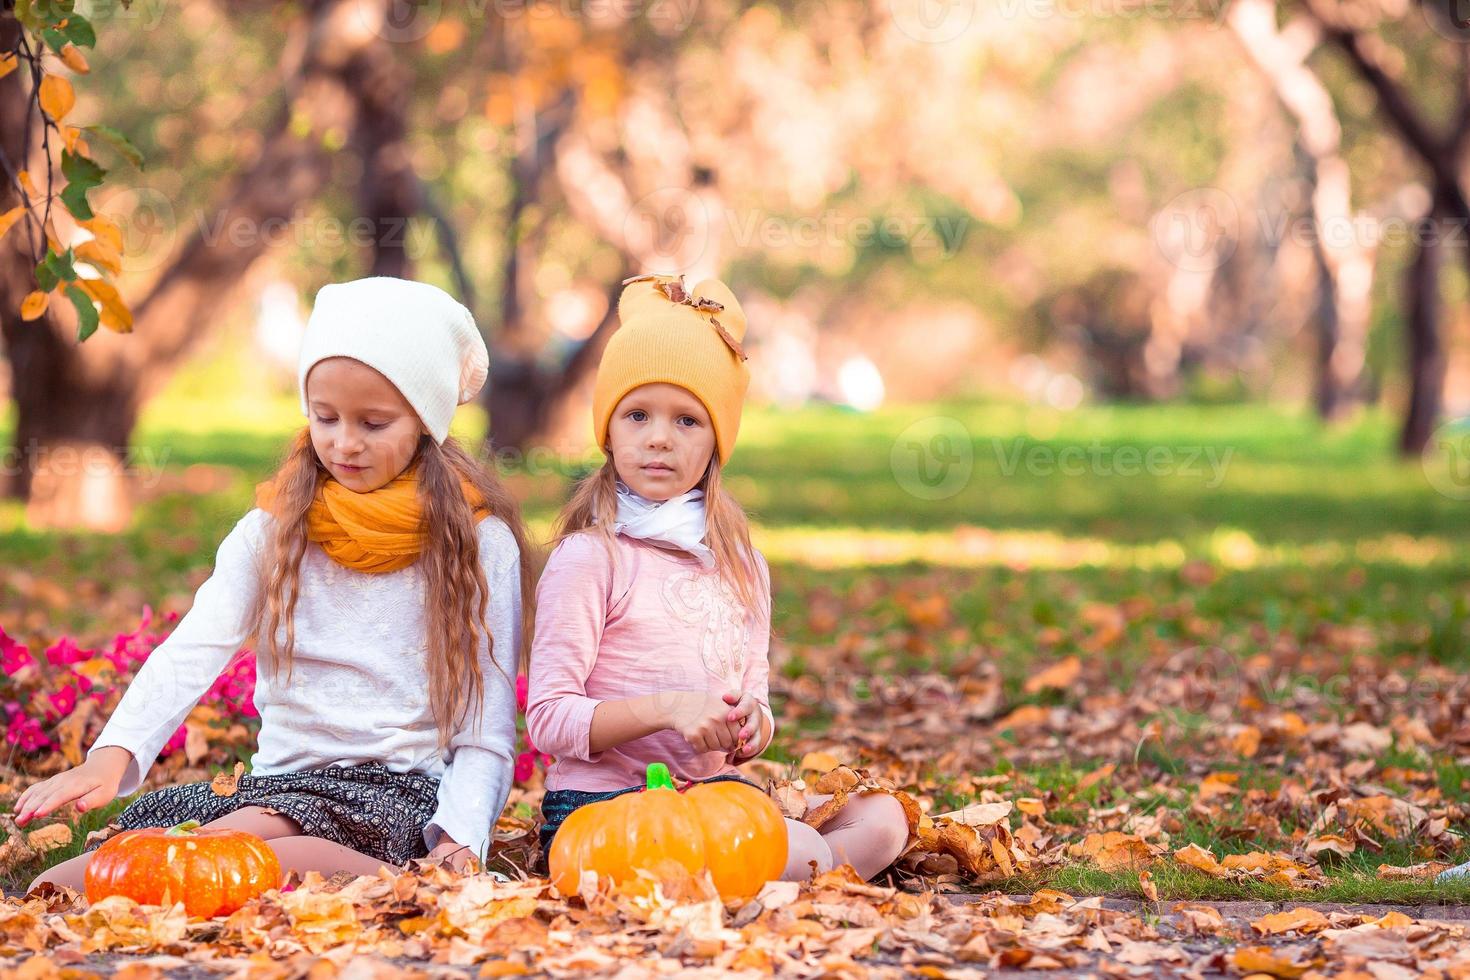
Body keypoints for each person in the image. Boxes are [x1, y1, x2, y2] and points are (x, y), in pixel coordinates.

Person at [18, 276, 531, 892]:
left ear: (425, 420)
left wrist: (458, 842)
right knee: (124, 862)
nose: (344, 442)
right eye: (325, 416)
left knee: (235, 857)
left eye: (374, 423)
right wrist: (115, 752)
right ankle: (36, 898)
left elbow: (487, 725)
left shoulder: (477, 543)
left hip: (395, 798)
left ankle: (402, 880)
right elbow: (193, 648)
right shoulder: (276, 528)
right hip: (275, 789)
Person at [526, 273, 910, 884]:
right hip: (607, 810)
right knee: (799, 849)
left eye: (687, 421)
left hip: (712, 793)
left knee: (886, 818)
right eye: (638, 415)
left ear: (716, 440)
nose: (658, 437)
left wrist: (755, 725)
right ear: (609, 430)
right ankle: (791, 872)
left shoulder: (741, 563)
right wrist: (668, 709)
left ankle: (776, 872)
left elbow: (751, 692)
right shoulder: (592, 557)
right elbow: (549, 718)